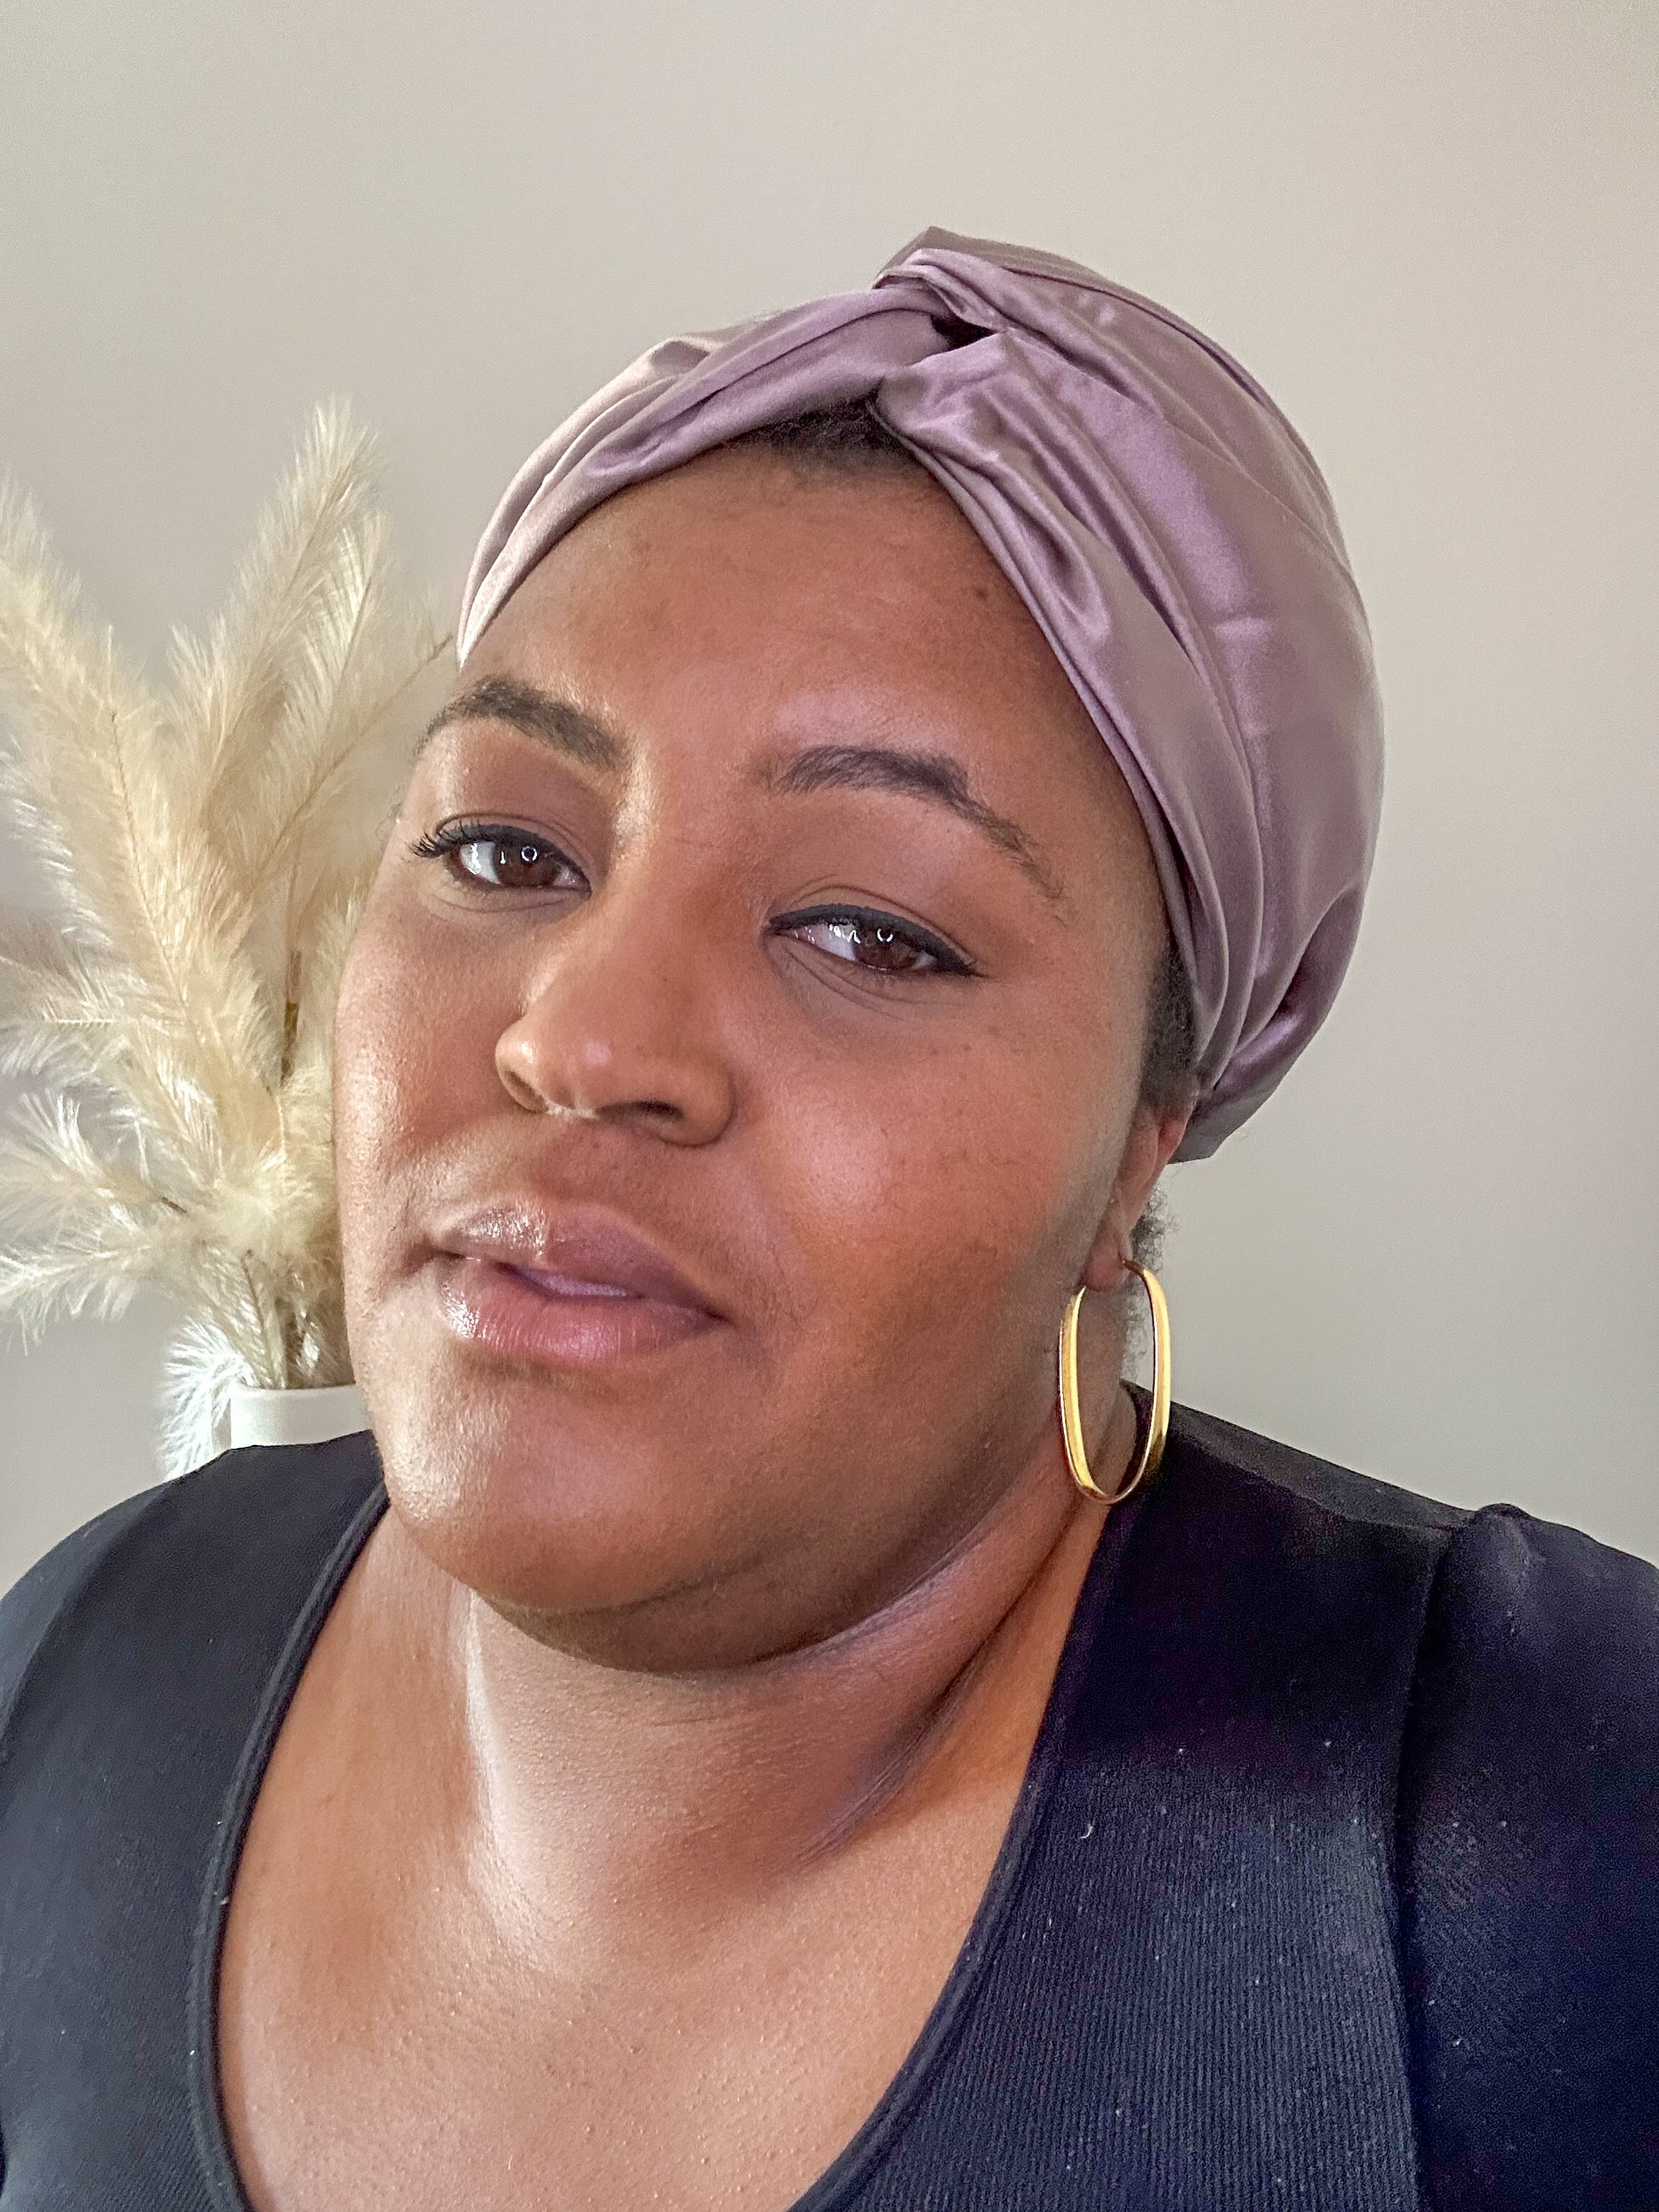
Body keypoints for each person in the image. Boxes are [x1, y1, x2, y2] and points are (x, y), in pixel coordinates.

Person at [0, 229, 1654, 2212]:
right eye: (504, 844)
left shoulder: (1539, 1843)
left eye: (867, 923)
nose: (581, 1032)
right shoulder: (81, 1671)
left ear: (1144, 1135)